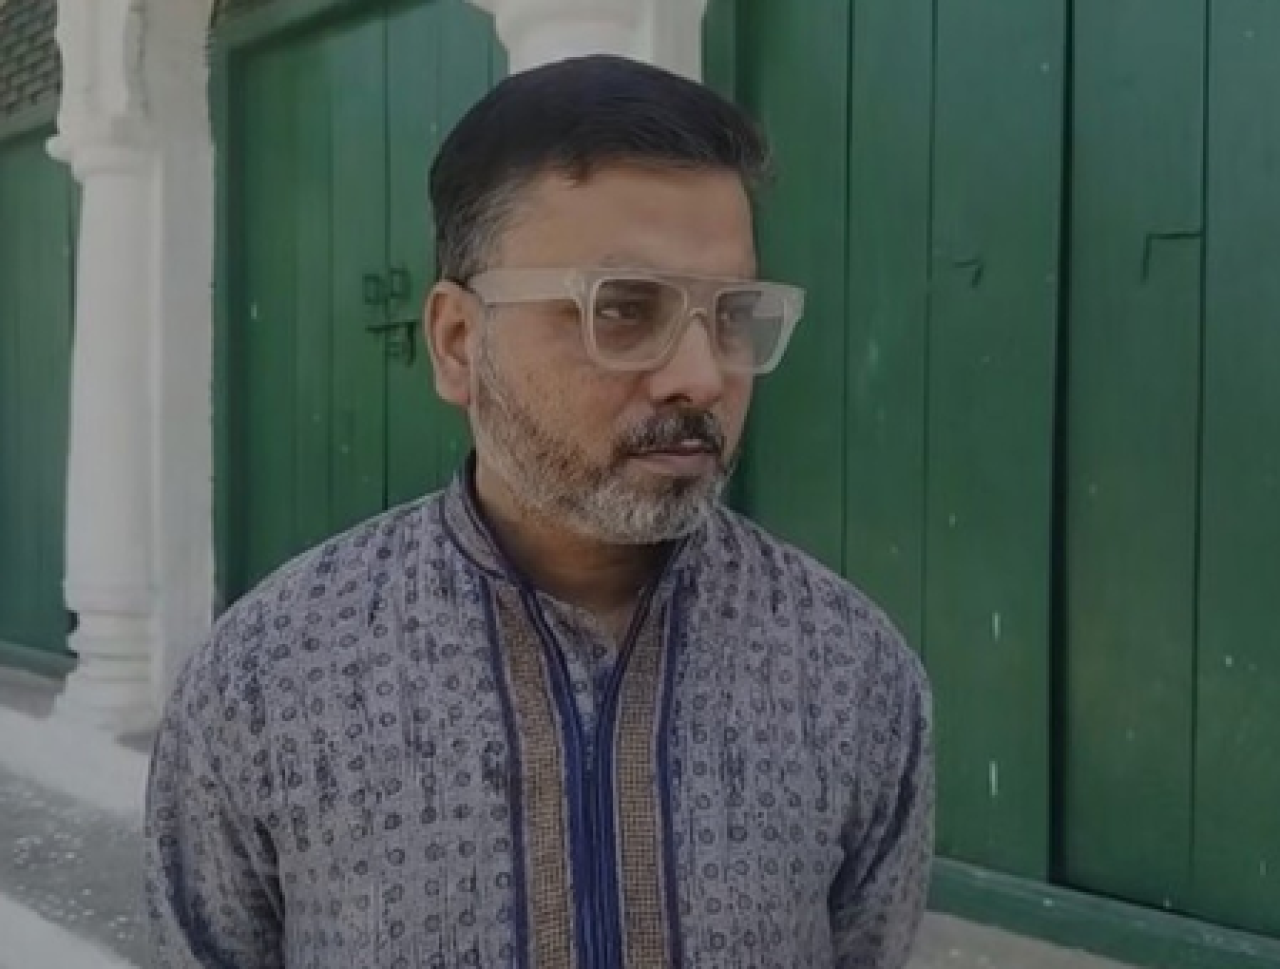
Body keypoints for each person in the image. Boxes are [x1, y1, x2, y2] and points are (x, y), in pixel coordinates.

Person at [144, 54, 934, 969]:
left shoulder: (851, 672)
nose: (702, 375)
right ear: (457, 343)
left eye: (734, 314)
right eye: (624, 308)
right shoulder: (268, 680)